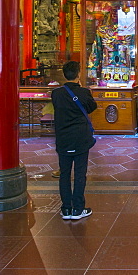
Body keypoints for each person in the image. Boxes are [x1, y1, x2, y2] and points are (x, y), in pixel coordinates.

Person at [51, 61, 97, 221]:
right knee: (79, 173)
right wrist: (82, 88)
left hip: (63, 138)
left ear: (64, 75)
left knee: (64, 174)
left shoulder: (56, 93)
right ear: (78, 74)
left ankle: (66, 208)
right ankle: (78, 208)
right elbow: (92, 108)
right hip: (80, 138)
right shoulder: (84, 92)